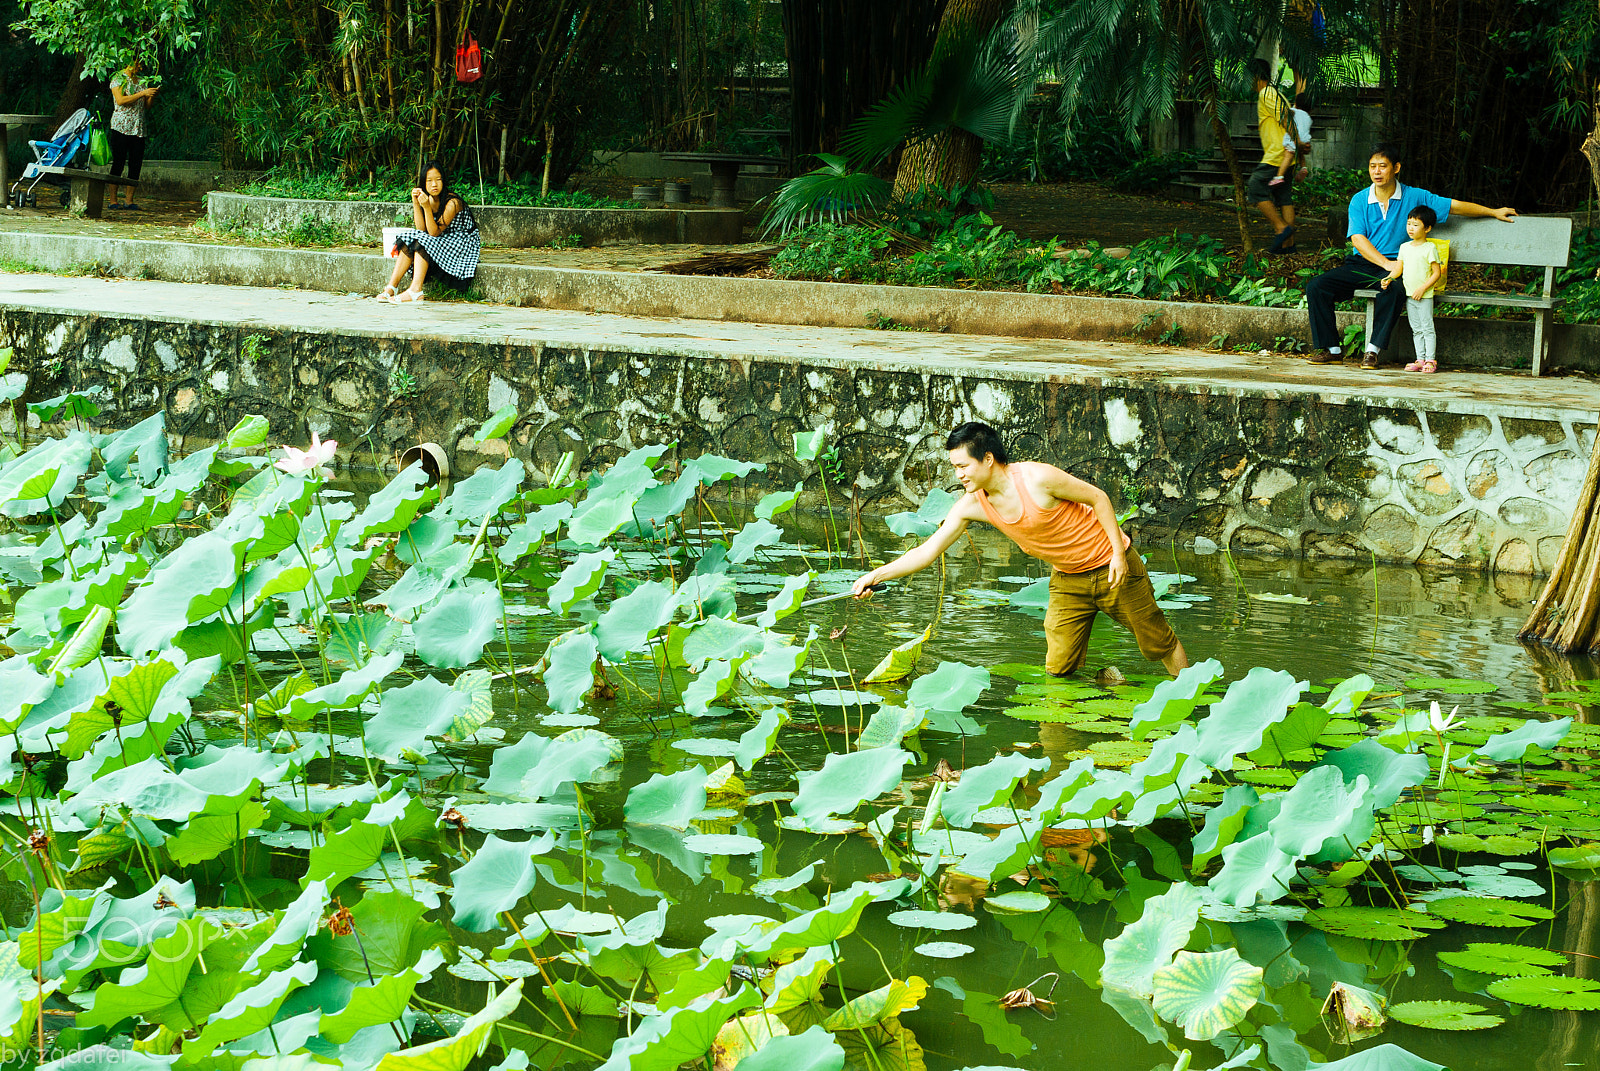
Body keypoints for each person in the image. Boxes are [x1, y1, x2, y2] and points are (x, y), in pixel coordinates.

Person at [851, 422, 1189, 678]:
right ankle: (1068, 730)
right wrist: (875, 575)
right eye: (954, 467)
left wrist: (1118, 552)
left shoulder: (1038, 479)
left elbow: (1097, 497)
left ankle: (1193, 700)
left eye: (963, 466)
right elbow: (926, 552)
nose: (958, 474)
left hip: (1112, 566)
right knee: (1057, 668)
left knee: (1157, 642)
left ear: (987, 459)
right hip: (1068, 580)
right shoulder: (972, 505)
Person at [1305, 143, 1515, 369]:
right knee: (1317, 286)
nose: (1377, 171)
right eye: (1372, 166)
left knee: (1393, 290)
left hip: (1402, 266)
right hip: (1365, 263)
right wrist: (1387, 264)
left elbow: (1454, 206)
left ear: (1396, 168)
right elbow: (1357, 239)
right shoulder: (1359, 200)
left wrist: (1492, 211)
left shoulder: (1414, 196)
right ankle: (1332, 349)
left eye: (1383, 166)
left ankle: (1372, 351)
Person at [380, 160, 480, 303]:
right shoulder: (429, 199)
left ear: (443, 181)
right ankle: (391, 287)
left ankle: (415, 290)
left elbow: (433, 233)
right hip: (444, 239)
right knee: (411, 237)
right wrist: (416, 203)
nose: (434, 184)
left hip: (461, 242)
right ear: (423, 184)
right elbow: (421, 229)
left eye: (438, 180)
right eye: (429, 181)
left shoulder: (453, 202)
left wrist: (426, 207)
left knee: (423, 240)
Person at [1382, 206, 1445, 374]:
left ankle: (1431, 360)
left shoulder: (1429, 248)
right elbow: (1398, 269)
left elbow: (1436, 273)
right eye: (1409, 224)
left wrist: (1423, 288)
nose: (1410, 228)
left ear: (1427, 228)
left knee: (1427, 327)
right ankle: (1420, 359)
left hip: (1424, 295)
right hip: (1410, 295)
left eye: (1416, 225)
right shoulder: (1404, 247)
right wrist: (1389, 278)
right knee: (1416, 328)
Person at [1246, 58, 1296, 255]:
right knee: (1283, 197)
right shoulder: (1277, 94)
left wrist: (1290, 145)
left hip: (1276, 156)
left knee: (1255, 188)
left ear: (1256, 76)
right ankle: (1289, 245)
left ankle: (1280, 228)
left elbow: (1285, 119)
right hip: (1285, 155)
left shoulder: (1266, 93)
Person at [107, 59, 159, 212]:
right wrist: (142, 92)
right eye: (139, 64)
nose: (141, 67)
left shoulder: (141, 81)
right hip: (121, 127)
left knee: (135, 165)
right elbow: (121, 100)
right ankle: (113, 200)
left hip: (139, 128)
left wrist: (151, 95)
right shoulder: (118, 79)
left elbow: (146, 106)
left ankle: (129, 200)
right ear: (130, 62)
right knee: (118, 163)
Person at [1271, 93, 1312, 189]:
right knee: (1300, 153)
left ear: (1296, 104)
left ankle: (1279, 176)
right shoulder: (1308, 117)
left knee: (1288, 156)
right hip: (1305, 139)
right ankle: (1303, 167)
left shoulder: (1293, 111)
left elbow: (1284, 116)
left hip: (1293, 140)